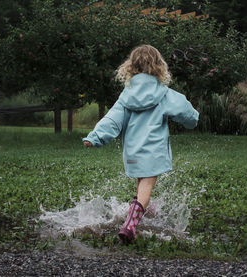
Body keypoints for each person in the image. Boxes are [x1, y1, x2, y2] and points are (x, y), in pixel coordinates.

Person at [82, 45, 199, 243]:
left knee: (141, 185)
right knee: (146, 184)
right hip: (153, 150)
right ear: (158, 67)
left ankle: (144, 210)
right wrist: (193, 119)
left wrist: (95, 137)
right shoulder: (164, 93)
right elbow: (185, 111)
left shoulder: (126, 96)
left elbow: (112, 119)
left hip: (133, 152)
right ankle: (130, 224)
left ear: (131, 67)